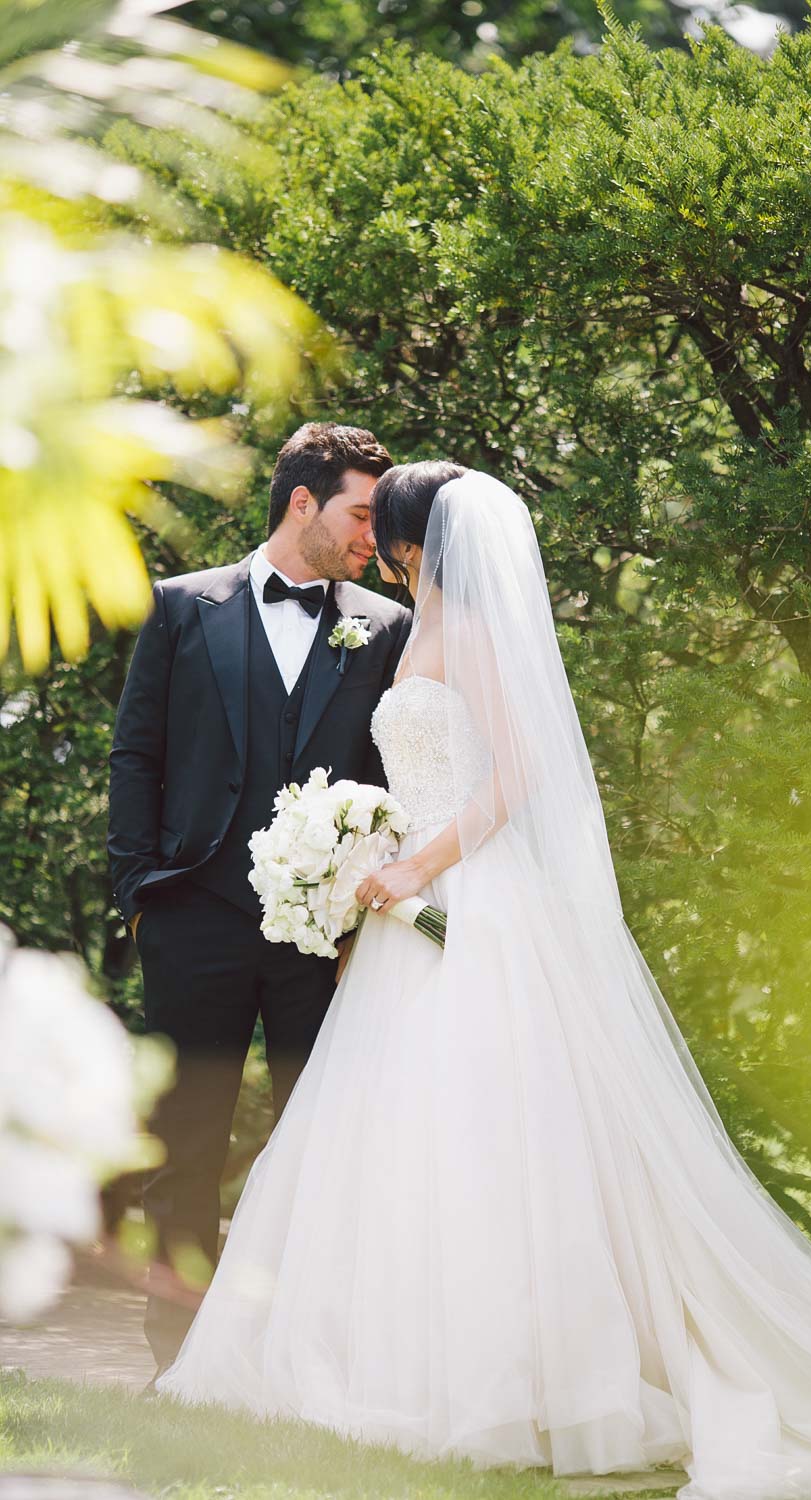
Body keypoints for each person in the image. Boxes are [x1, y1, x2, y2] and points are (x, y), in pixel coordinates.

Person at [156, 464, 811, 1498]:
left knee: (488, 1135)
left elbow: (518, 771)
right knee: (402, 1135)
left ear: (419, 538)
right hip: (404, 909)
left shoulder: (466, 633)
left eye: (390, 521)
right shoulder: (410, 627)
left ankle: (513, 1386)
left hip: (473, 901)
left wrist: (418, 865)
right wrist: (358, 849)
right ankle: (395, 1363)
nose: (376, 536)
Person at [107, 424, 409, 1376]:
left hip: (323, 939)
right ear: (302, 502)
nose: (374, 536)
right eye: (362, 514)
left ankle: (305, 1356)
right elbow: (137, 752)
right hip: (192, 915)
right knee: (185, 1140)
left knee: (318, 1142)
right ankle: (179, 1355)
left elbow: (393, 777)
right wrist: (138, 893)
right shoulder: (182, 606)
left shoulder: (387, 626)